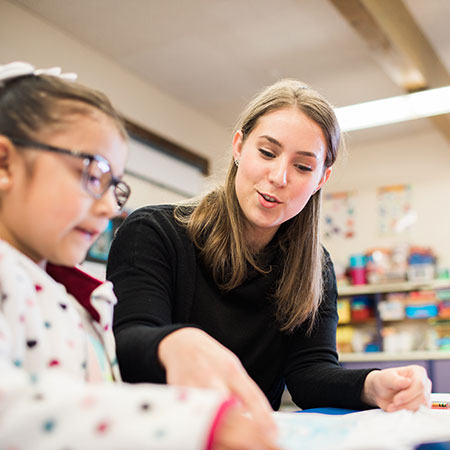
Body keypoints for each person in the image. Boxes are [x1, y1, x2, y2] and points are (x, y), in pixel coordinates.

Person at [107, 78, 432, 416]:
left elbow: (310, 375)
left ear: (321, 179)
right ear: (238, 146)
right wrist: (172, 345)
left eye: (303, 166)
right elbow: (126, 343)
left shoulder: (315, 267)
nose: (279, 176)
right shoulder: (153, 232)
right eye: (267, 152)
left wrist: (372, 385)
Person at [0, 61, 280, 450]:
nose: (109, 208)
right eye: (91, 174)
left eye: (114, 186)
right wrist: (196, 423)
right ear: (4, 163)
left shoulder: (76, 297)